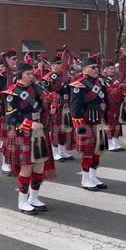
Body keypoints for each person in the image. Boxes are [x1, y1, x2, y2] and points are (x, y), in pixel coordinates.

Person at [2, 62, 55, 214]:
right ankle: (22, 201)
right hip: (23, 132)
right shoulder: (11, 93)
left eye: (32, 74)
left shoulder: (36, 88)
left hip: (39, 130)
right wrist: (29, 124)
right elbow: (11, 117)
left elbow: (42, 106)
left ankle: (34, 198)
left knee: (39, 166)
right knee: (27, 168)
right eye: (28, 74)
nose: (32, 76)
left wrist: (51, 105)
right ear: (19, 75)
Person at [71, 54, 109, 191]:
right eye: (93, 67)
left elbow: (105, 102)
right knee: (88, 152)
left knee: (98, 151)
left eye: (97, 67)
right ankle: (85, 179)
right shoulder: (79, 85)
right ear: (84, 69)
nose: (96, 69)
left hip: (98, 120)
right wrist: (79, 126)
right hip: (86, 121)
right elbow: (75, 108)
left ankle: (93, 176)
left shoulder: (100, 82)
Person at [42, 52, 75, 161]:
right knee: (55, 130)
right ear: (52, 66)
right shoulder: (48, 78)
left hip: (66, 106)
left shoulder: (64, 76)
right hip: (56, 107)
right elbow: (47, 94)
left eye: (62, 64)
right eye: (58, 64)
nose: (61, 66)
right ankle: (55, 152)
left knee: (64, 129)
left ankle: (62, 151)